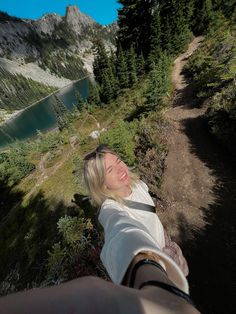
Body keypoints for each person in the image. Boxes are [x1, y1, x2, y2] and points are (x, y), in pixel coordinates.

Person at [0, 144, 200, 314]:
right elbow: (121, 231)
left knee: (184, 276)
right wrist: (150, 276)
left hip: (165, 242)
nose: (120, 168)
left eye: (118, 161)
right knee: (181, 286)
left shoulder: (138, 184)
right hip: (158, 259)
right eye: (109, 170)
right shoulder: (110, 210)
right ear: (100, 183)